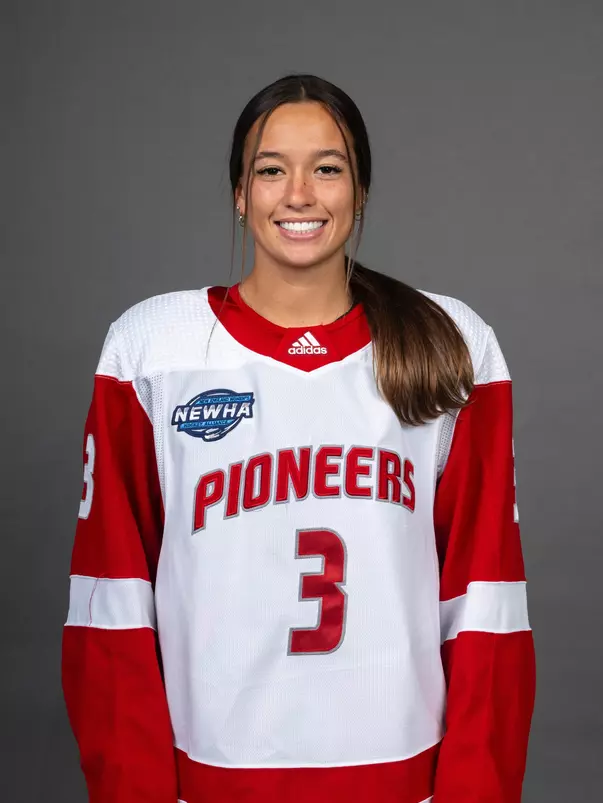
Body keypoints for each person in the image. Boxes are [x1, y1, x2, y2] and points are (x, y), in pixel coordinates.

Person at [62, 73, 536, 803]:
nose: (300, 195)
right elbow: (111, 604)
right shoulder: (153, 350)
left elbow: (486, 602)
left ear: (361, 190)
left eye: (328, 169)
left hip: (399, 779)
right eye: (271, 170)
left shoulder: (450, 344)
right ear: (239, 192)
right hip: (211, 778)